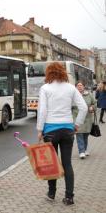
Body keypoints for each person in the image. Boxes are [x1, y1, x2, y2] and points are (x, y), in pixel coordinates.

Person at [37, 62, 87, 205]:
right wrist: (76, 124)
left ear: (49, 73)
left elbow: (42, 111)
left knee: (51, 163)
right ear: (63, 72)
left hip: (50, 131)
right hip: (67, 130)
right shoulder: (71, 88)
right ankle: (69, 196)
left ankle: (52, 193)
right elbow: (83, 107)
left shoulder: (45, 88)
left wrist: (40, 130)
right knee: (67, 164)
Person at [73, 81, 96, 159]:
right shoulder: (73, 96)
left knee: (85, 135)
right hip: (77, 118)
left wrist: (92, 107)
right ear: (76, 87)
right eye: (78, 85)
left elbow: (94, 103)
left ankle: (85, 149)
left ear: (84, 86)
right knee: (79, 135)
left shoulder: (89, 95)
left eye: (81, 85)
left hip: (87, 119)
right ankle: (81, 151)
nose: (80, 87)